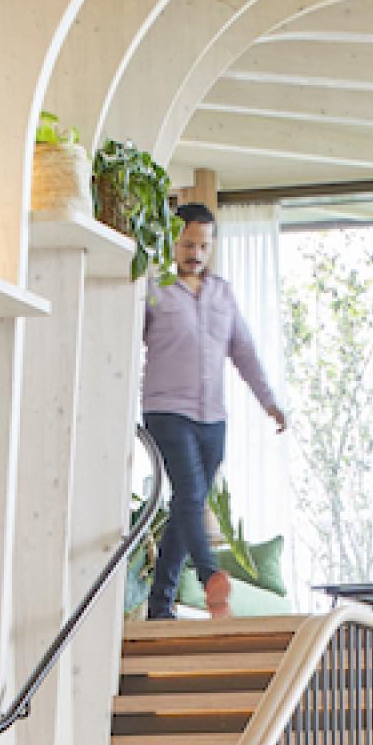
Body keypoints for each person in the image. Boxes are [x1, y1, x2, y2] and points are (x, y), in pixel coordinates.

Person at [140, 202, 287, 621]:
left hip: (212, 419)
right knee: (189, 496)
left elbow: (243, 351)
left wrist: (269, 402)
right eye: (188, 243)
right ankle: (210, 577)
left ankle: (159, 606)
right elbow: (123, 338)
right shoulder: (154, 288)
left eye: (204, 245)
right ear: (173, 241)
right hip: (166, 411)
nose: (196, 253)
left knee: (186, 506)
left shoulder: (223, 293)